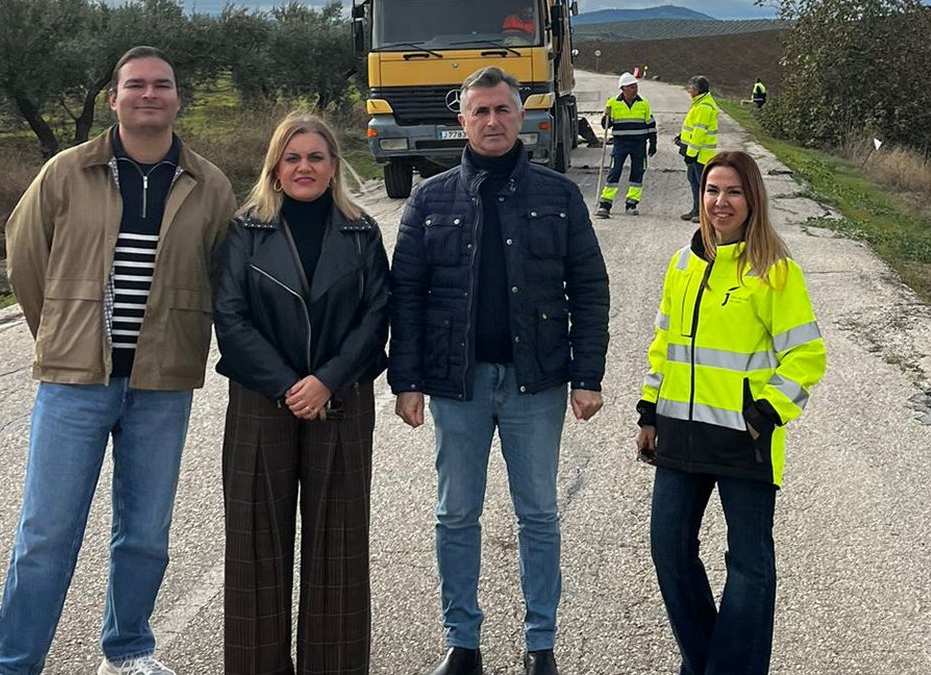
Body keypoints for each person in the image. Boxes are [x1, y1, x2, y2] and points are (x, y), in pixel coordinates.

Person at [0, 46, 236, 675]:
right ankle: (13, 665)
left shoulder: (210, 187)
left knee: (146, 534)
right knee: (45, 537)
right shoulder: (65, 173)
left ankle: (127, 652)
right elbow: (25, 258)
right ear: (115, 99)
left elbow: (224, 277)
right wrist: (59, 335)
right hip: (73, 383)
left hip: (162, 384)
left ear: (179, 100)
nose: (149, 94)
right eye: (136, 85)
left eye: (162, 85)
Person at [389, 66, 610, 675]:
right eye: (479, 112)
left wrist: (587, 374)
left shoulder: (557, 195)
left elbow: (589, 286)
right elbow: (405, 294)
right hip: (455, 384)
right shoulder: (430, 199)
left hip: (533, 383)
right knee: (455, 514)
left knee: (538, 513)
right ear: (462, 119)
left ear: (522, 116)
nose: (491, 122)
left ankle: (542, 646)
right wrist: (405, 380)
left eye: (502, 111)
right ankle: (463, 644)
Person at [636, 150, 826, 675]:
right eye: (712, 191)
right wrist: (648, 412)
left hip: (744, 439)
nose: (721, 202)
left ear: (752, 201)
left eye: (733, 192)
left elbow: (807, 355)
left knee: (748, 566)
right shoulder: (682, 264)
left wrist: (764, 412)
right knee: (669, 553)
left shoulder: (774, 270)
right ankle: (708, 663)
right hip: (679, 434)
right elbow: (663, 345)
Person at [214, 112, 389, 675]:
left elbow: (376, 315)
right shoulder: (245, 229)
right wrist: (290, 385)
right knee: (255, 548)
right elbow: (230, 317)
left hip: (341, 399)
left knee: (337, 549)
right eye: (292, 158)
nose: (304, 167)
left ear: (334, 165)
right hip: (261, 399)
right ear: (275, 166)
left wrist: (327, 380)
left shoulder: (363, 232)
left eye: (316, 157)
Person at [596, 72, 657, 218]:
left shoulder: (643, 103)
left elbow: (651, 125)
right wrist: (606, 116)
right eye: (631, 87)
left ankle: (631, 204)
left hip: (639, 144)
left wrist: (653, 143)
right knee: (614, 171)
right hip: (620, 144)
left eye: (636, 86)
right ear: (623, 88)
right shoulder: (613, 103)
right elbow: (605, 126)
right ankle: (605, 205)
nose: (635, 89)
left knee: (637, 173)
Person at [674, 75, 720, 222]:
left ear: (697, 90)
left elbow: (700, 133)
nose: (689, 91)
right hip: (695, 152)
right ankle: (696, 210)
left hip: (701, 154)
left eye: (691, 88)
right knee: (693, 180)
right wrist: (682, 137)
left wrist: (691, 153)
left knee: (702, 184)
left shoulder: (704, 107)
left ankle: (705, 214)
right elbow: (693, 127)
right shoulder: (699, 103)